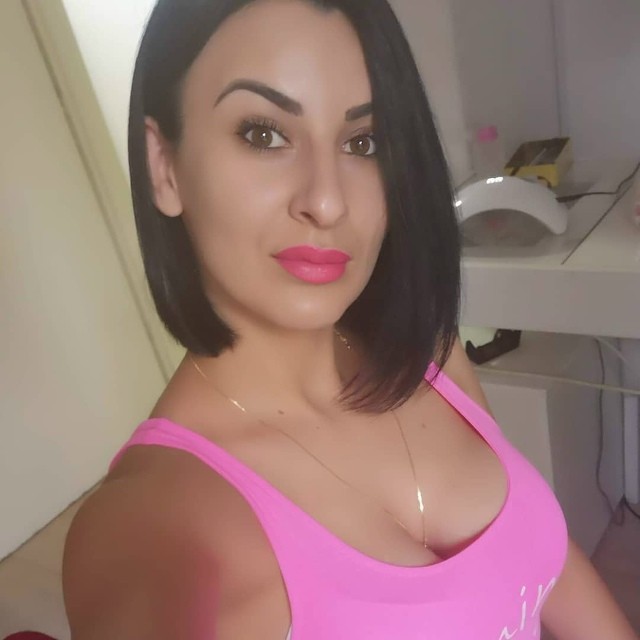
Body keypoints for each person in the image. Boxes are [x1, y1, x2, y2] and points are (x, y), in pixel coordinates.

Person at [62, 0, 638, 638]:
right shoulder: (153, 526)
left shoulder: (425, 351)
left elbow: (544, 564)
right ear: (164, 167)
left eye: (363, 143)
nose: (328, 200)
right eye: (263, 134)